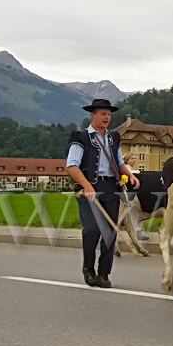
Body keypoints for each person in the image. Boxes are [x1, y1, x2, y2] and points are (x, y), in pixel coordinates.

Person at [65, 99, 140, 288]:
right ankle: (88, 270)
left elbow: (119, 162)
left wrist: (129, 175)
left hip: (110, 188)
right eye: (102, 113)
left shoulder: (114, 137)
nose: (107, 117)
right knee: (92, 230)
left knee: (109, 232)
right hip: (88, 188)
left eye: (108, 114)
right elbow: (72, 165)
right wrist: (87, 186)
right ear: (93, 115)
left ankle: (104, 274)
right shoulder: (81, 137)